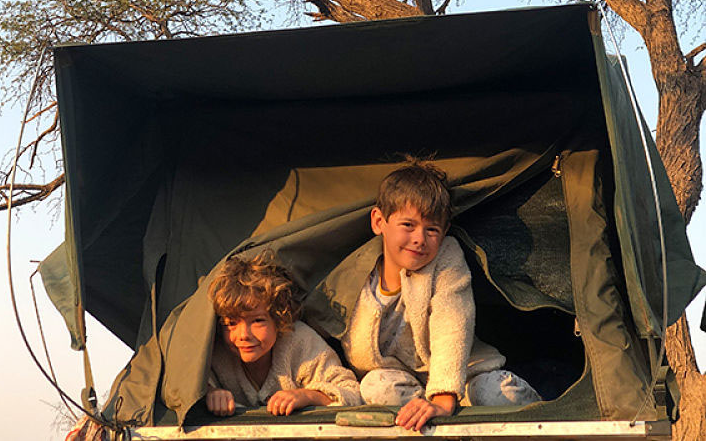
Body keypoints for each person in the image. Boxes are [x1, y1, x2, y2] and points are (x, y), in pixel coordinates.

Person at [335, 158, 540, 431]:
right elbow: (322, 319)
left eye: (431, 229)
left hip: (463, 380)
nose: (420, 238)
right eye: (408, 225)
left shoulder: (446, 258)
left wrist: (444, 398)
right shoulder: (357, 275)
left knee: (494, 392)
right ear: (378, 221)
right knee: (375, 386)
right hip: (407, 388)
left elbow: (452, 322)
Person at [205, 252, 362, 416]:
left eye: (258, 321)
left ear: (278, 319)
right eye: (231, 323)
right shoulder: (215, 352)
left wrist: (307, 395)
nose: (243, 334)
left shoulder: (299, 342)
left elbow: (351, 393)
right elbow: (186, 390)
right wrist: (211, 393)